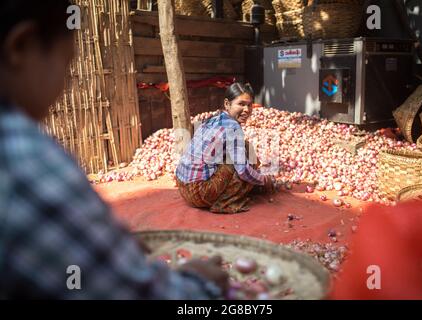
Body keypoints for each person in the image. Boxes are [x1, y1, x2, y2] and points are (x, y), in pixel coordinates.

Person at [0, 0, 228, 299]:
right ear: (22, 46)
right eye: (66, 67)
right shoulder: (25, 159)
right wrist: (201, 283)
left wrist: (105, 249)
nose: (64, 86)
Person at [175, 83, 275, 213]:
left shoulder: (213, 119)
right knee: (245, 158)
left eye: (249, 105)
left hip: (182, 186)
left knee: (243, 148)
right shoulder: (233, 127)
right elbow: (243, 171)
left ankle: (251, 183)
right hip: (199, 193)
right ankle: (224, 202)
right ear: (227, 104)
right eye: (241, 104)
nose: (246, 109)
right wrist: (263, 179)